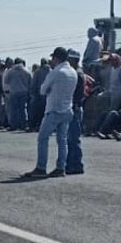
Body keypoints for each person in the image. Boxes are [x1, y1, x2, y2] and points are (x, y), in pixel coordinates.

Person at [24, 47, 77, 178]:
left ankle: (41, 167)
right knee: (62, 140)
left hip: (54, 109)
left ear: (56, 58)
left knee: (42, 137)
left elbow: (42, 89)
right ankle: (61, 167)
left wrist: (49, 90)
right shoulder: (73, 72)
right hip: (67, 108)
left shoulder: (56, 72)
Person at [65, 48, 88, 175]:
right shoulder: (76, 72)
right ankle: (70, 164)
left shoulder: (77, 74)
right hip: (75, 107)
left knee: (73, 138)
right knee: (70, 138)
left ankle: (76, 164)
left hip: (75, 107)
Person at [29, 56, 50, 131]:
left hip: (39, 94)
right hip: (49, 95)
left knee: (38, 111)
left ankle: (36, 125)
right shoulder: (51, 70)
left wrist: (33, 92)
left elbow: (34, 83)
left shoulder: (38, 71)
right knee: (46, 111)